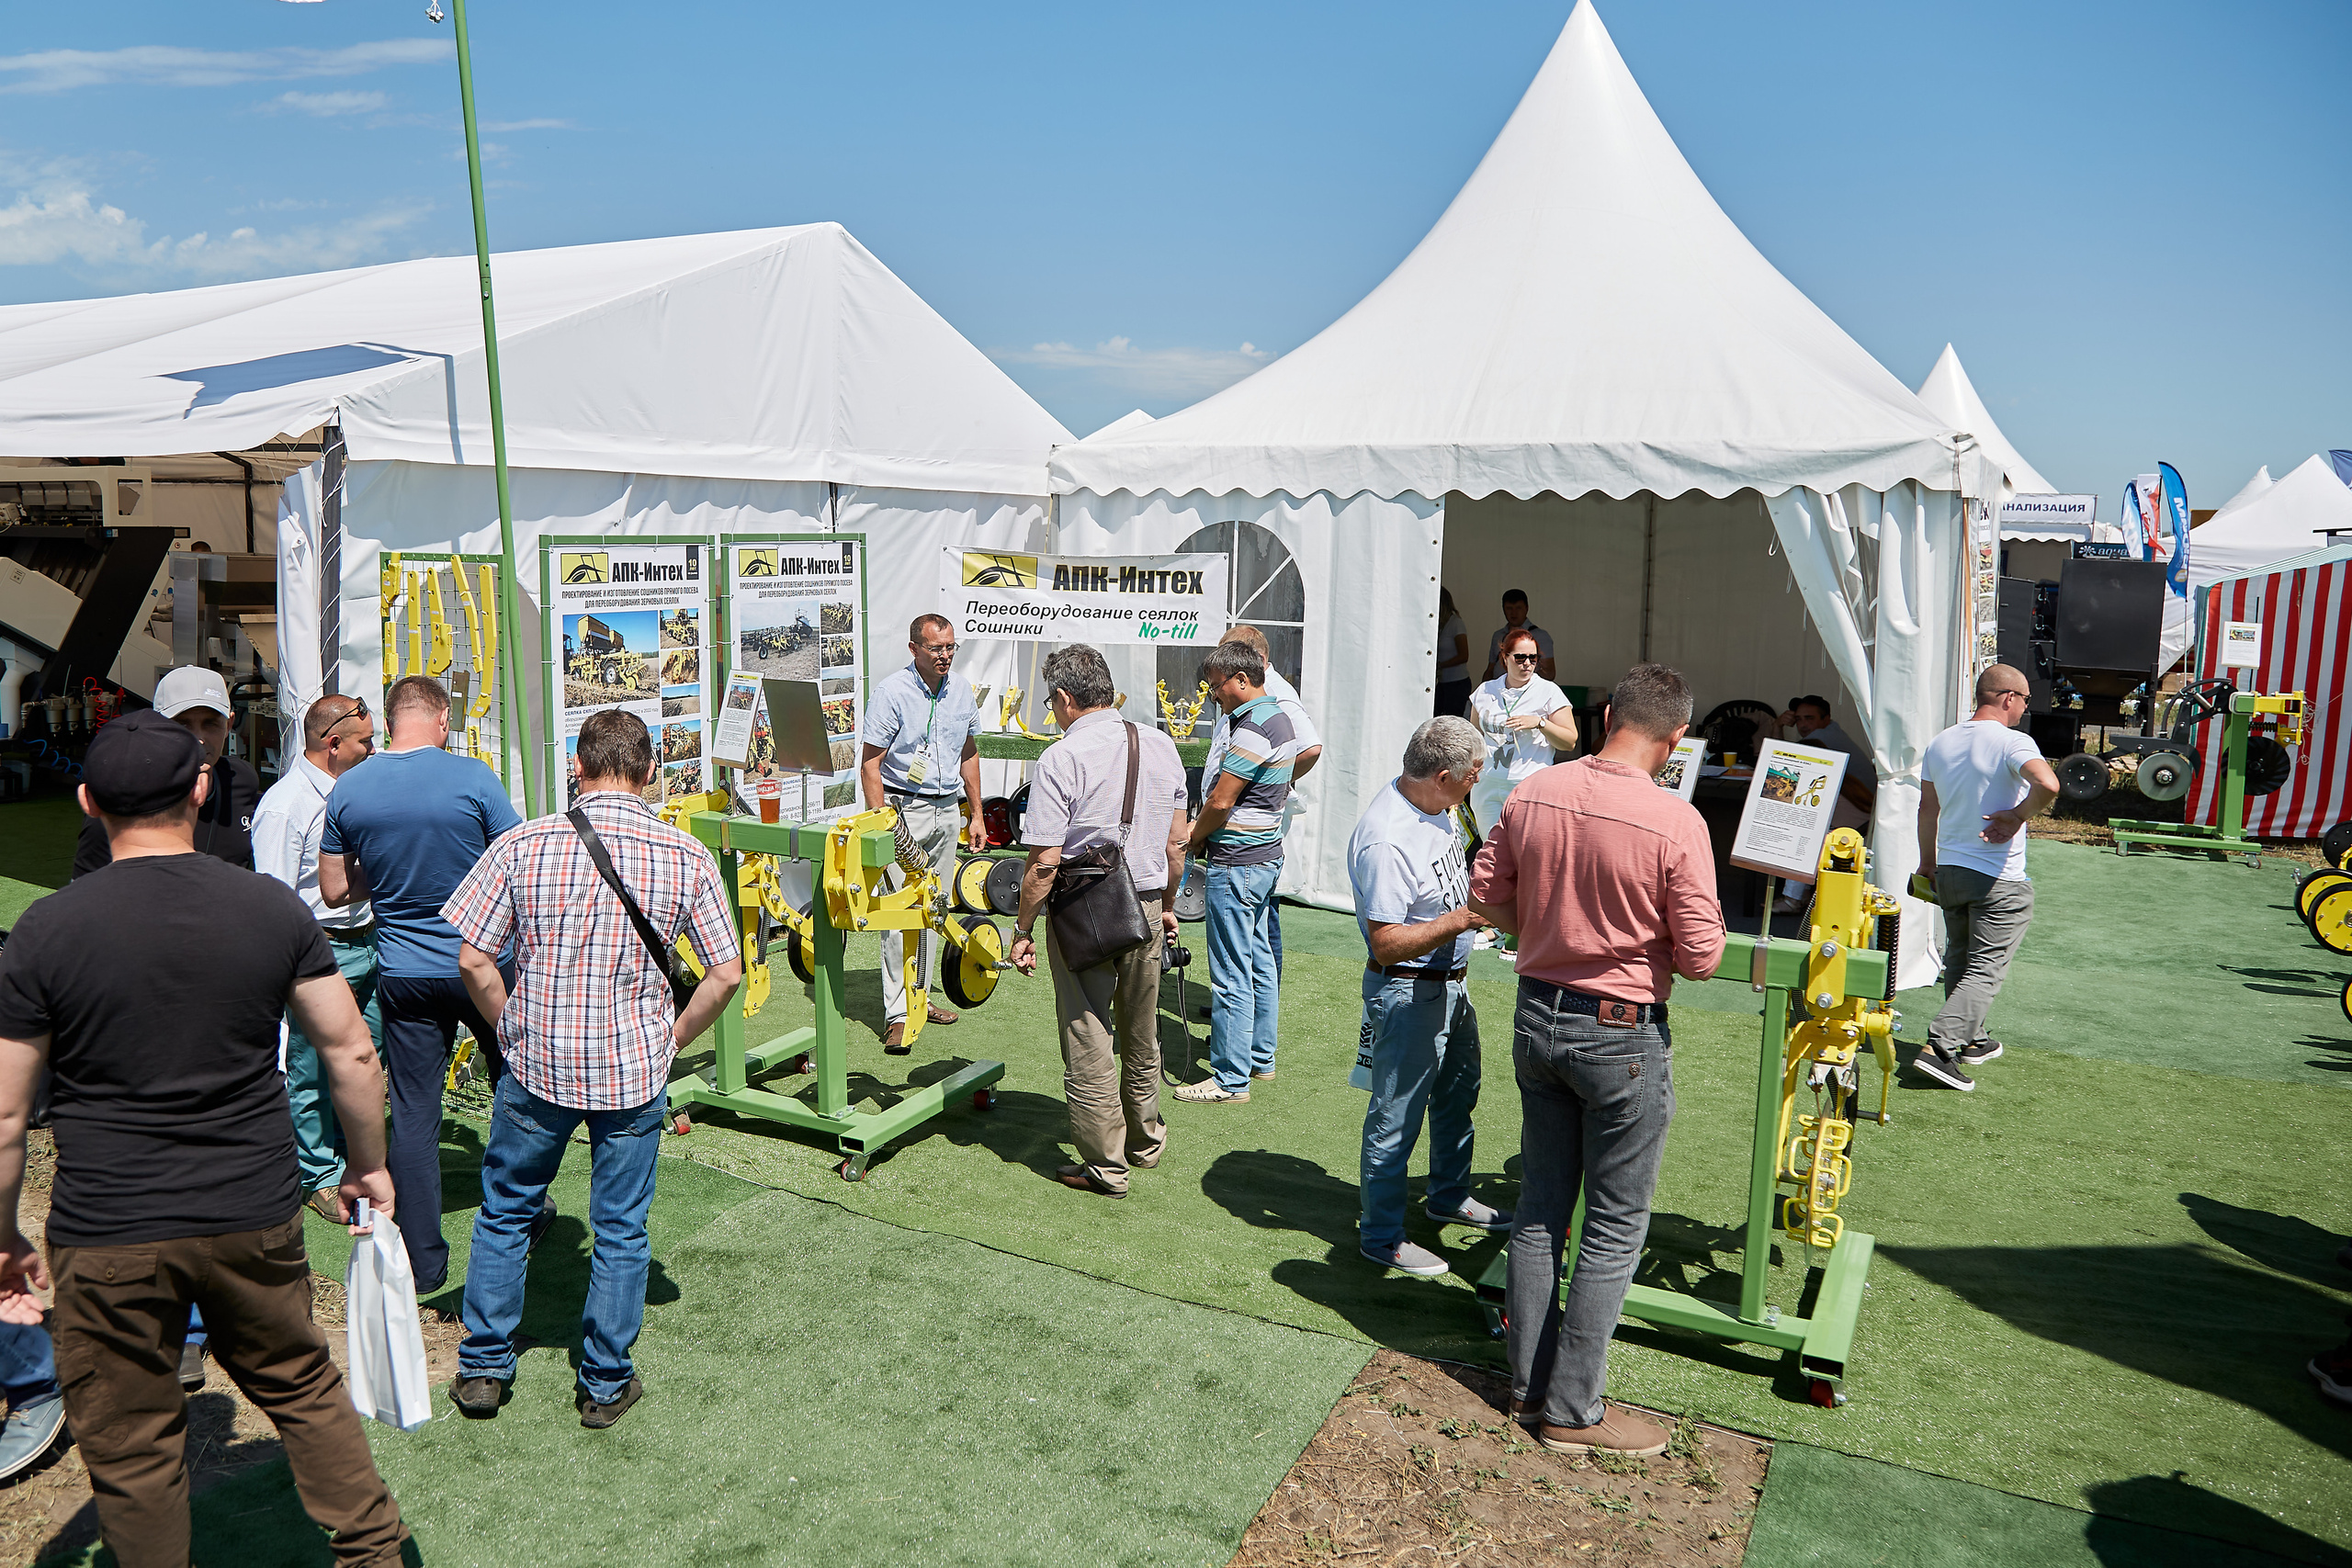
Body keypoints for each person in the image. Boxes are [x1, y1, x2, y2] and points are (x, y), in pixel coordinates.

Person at [0, 709, 409, 1567]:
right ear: (198, 788)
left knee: (132, 1435)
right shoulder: (265, 907)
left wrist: (3, 1235)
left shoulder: (43, 932)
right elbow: (350, 1047)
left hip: (107, 1223)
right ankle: (373, 1548)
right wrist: (367, 1165)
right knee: (301, 1384)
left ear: (84, 801)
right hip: (249, 1208)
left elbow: (5, 1115)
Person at [442, 709, 741, 1427]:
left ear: (578, 766)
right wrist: (670, 1036)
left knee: (507, 1208)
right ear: (648, 773)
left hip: (538, 1059)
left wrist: (510, 1024)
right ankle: (604, 1381)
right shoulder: (684, 854)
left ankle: (484, 1365)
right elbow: (725, 973)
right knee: (621, 1227)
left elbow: (472, 957)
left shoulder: (524, 841)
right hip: (633, 1065)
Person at [1468, 664, 1725, 1459]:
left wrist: (1545, 925)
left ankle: (1525, 1386)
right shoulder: (1676, 821)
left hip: (1538, 1012)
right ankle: (1573, 1411)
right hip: (1621, 1032)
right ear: (1676, 737)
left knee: (1542, 1207)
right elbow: (1704, 956)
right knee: (1613, 1225)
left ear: (1606, 713)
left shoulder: (1532, 793)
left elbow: (1487, 895)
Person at [319, 673, 525, 1298]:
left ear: (389, 719)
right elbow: (516, 862)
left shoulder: (349, 790)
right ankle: (519, 1218)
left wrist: (386, 879)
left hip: (404, 971)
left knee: (412, 1114)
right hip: (484, 964)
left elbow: (333, 890)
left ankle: (424, 1261)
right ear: (440, 719)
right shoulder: (475, 777)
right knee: (514, 1092)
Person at [1008, 646, 1188, 1198]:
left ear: (1064, 698)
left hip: (1084, 912)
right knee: (1141, 1031)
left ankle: (1107, 1168)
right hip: (1149, 905)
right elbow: (1178, 842)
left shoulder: (1061, 757)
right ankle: (1145, 1142)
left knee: (1088, 1035)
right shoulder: (1162, 743)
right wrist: (1166, 903)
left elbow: (1043, 862)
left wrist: (1021, 930)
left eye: (1050, 702)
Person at [1351, 716, 1511, 1277]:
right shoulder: (1388, 838)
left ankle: (1448, 1196)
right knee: (1395, 1119)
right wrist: (1466, 919)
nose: (1478, 782)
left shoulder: (1437, 805)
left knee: (1456, 1097)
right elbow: (1387, 944)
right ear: (1443, 774)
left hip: (1447, 985)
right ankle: (1382, 1237)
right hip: (1409, 991)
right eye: (1474, 774)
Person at [252, 693, 382, 1224]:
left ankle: (354, 1159)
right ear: (333, 745)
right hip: (320, 949)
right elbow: (274, 895)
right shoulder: (285, 807)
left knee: (365, 1058)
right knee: (311, 1067)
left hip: (369, 941)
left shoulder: (354, 792)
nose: (375, 749)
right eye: (365, 741)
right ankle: (317, 1175)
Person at [1913, 664, 2059, 1092]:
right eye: (2026, 700)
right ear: (2009, 698)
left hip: (1951, 868)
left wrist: (1927, 863)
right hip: (1998, 875)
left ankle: (1972, 1040)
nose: (2025, 709)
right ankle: (1940, 1047)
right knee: (1985, 967)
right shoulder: (2013, 741)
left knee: (1960, 956)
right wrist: (2016, 816)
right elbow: (2048, 785)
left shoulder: (1941, 742)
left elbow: (1927, 810)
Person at [1175, 641, 1302, 1104]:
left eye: (1216, 687)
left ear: (1241, 680)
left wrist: (1193, 834)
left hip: (1238, 863)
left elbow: (1222, 800)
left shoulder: (1252, 727)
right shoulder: (1280, 718)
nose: (1214, 696)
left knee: (1231, 973)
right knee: (1260, 962)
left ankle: (1231, 1079)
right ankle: (1259, 1058)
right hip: (1265, 855)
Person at [859, 614, 989, 1053]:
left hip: (946, 811)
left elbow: (969, 751)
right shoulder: (892, 692)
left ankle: (922, 995)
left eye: (951, 647)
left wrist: (976, 814)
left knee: (934, 908)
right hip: (902, 811)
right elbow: (870, 763)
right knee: (898, 916)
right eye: (936, 648)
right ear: (914, 648)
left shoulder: (962, 691)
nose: (946, 655)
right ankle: (897, 1013)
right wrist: (881, 822)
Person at [1197, 624, 1321, 988]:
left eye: (1218, 681)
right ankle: (1255, 1022)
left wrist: (1266, 783)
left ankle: (1244, 1018)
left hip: (1245, 837)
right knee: (1256, 943)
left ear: (1245, 667)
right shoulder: (1264, 701)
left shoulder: (1273, 700)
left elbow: (1310, 748)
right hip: (1250, 829)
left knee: (1251, 946)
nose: (1215, 692)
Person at [72, 665, 260, 876]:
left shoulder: (241, 780)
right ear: (157, 725)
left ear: (229, 725)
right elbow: (86, 889)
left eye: (211, 724)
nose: (199, 738)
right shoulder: (122, 796)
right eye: (183, 724)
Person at [1769, 694, 1878, 914]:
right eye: (1798, 719)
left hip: (1860, 814)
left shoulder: (1819, 739)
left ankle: (1792, 899)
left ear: (1826, 719)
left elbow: (1782, 774)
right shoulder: (1832, 733)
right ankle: (1799, 894)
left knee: (1800, 826)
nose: (1803, 725)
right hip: (1863, 810)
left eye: (1809, 718)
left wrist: (1776, 727)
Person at [1467, 627, 1577, 837]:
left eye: (1533, 658)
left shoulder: (1548, 691)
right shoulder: (1485, 690)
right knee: (1491, 848)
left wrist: (1540, 723)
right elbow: (1474, 738)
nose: (1527, 663)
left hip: (1528, 785)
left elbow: (1570, 741)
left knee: (1525, 850)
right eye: (1520, 658)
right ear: (1505, 657)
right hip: (1487, 784)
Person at [1479, 590, 1556, 683]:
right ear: (1503, 609)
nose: (1514, 613)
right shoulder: (1498, 635)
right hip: (1498, 690)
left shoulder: (1540, 636)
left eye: (1518, 608)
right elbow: (1490, 669)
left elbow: (1549, 674)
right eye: (1509, 608)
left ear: (1526, 608)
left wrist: (1526, 665)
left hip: (1528, 691)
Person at [1434, 588, 1473, 718]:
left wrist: (1441, 665)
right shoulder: (1440, 625)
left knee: (1453, 720)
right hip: (1443, 682)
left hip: (1457, 683)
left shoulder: (1456, 623)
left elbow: (1464, 655)